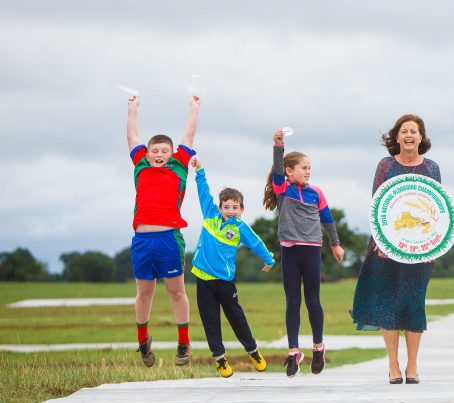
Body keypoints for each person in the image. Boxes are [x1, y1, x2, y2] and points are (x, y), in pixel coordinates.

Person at [351, 114, 441, 384]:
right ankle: (393, 365)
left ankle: (412, 366)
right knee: (388, 304)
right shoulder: (385, 165)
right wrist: (382, 242)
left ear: (422, 137)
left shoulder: (432, 168)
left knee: (413, 305)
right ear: (397, 137)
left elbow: (438, 208)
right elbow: (377, 203)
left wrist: (436, 243)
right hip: (385, 249)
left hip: (421, 250)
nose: (409, 135)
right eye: (404, 131)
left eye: (414, 131)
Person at [263, 129, 346, 377]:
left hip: (311, 252)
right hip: (290, 252)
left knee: (313, 301)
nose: (308, 171)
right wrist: (279, 146)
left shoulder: (316, 192)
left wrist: (336, 244)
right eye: (304, 167)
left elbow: (327, 219)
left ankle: (318, 347)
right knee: (292, 302)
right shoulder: (282, 189)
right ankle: (293, 352)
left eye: (310, 168)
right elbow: (277, 171)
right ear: (290, 171)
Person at [126, 94, 201, 367]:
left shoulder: (179, 167)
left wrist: (193, 108)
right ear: (147, 154)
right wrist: (133, 108)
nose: (159, 155)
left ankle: (183, 344)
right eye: (154, 151)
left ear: (171, 154)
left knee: (176, 292)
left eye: (164, 151)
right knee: (144, 293)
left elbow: (189, 135)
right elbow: (132, 136)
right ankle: (143, 341)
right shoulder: (141, 166)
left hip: (169, 239)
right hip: (143, 240)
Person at [190, 156, 275, 378]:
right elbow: (203, 190)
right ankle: (220, 359)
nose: (230, 210)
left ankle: (253, 352)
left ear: (241, 209)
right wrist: (199, 170)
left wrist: (269, 260)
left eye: (234, 207)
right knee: (210, 321)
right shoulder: (210, 215)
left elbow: (256, 243)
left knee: (237, 318)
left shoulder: (240, 228)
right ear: (219, 207)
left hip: (225, 282)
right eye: (226, 207)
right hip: (203, 279)